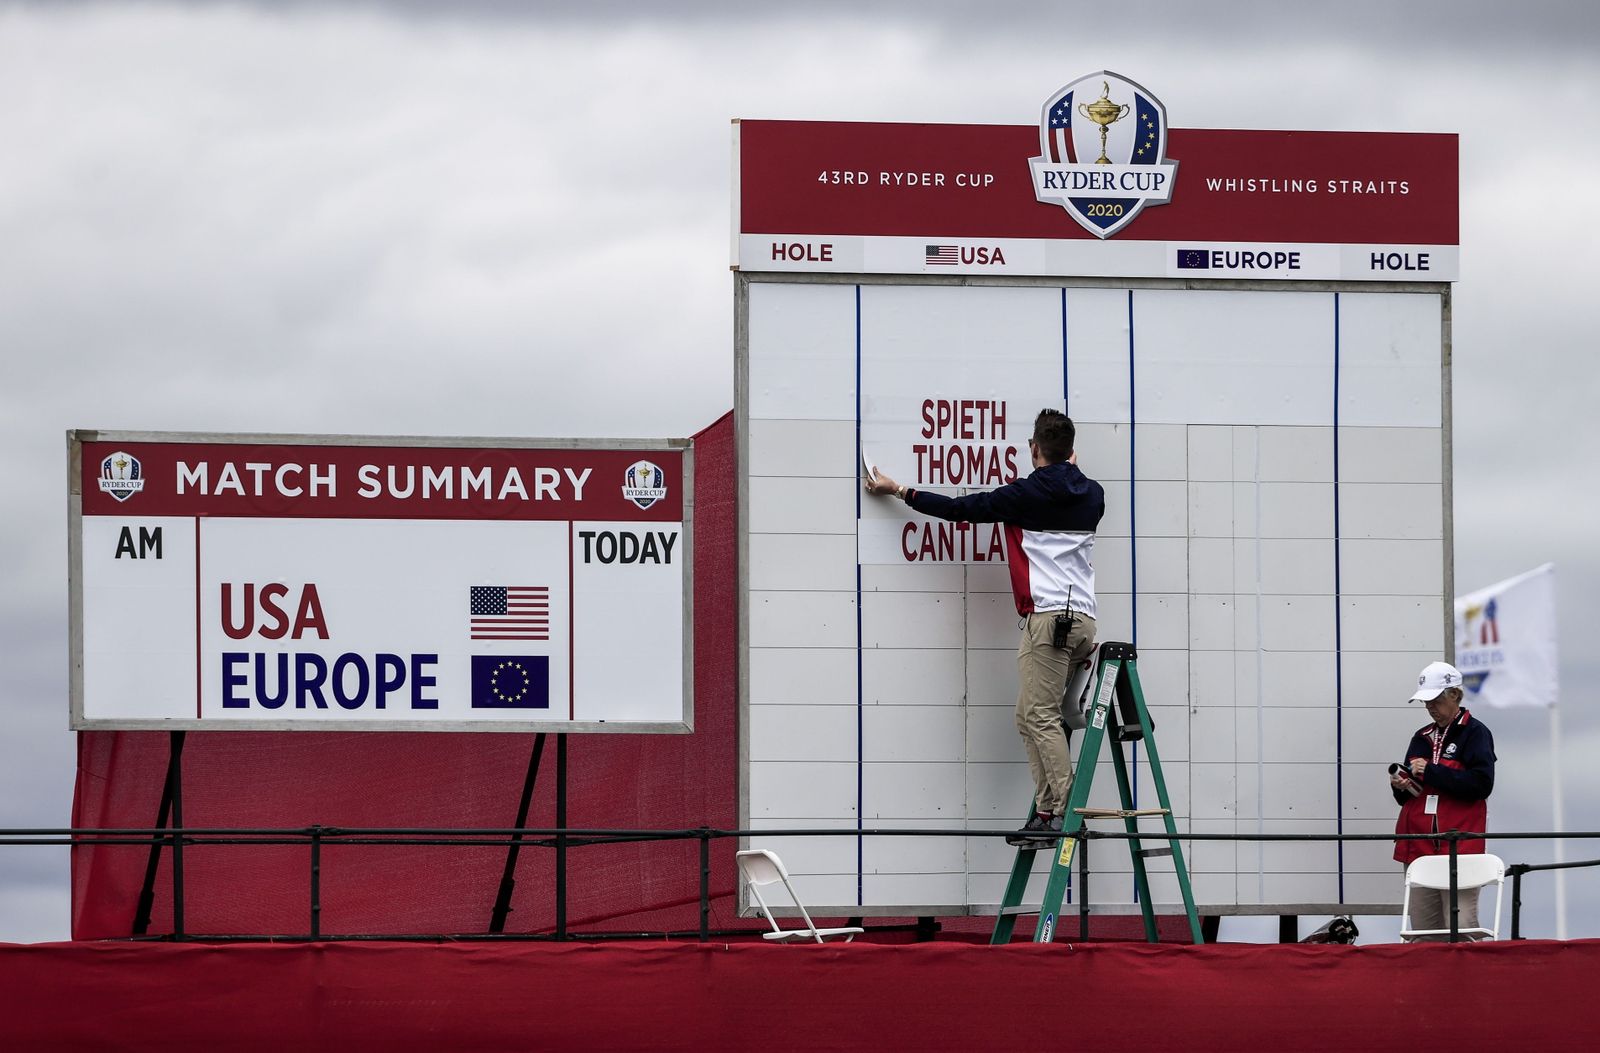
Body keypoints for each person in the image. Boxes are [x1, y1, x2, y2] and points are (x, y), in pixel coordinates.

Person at [866, 409, 1103, 848]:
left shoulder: (1023, 494)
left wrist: (899, 489)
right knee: (1028, 717)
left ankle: (1066, 815)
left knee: (1040, 716)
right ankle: (1047, 811)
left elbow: (959, 510)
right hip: (1082, 621)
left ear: (1034, 449)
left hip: (1049, 620)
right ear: (1072, 451)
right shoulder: (1094, 495)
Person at [1390, 660, 1496, 940]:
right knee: (1423, 930)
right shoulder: (1421, 736)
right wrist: (1401, 786)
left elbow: (1481, 784)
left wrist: (1433, 771)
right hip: (1418, 845)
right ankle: (1427, 984)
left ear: (1456, 696)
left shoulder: (1476, 733)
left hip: (1458, 846)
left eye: (1435, 700)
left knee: (1462, 928)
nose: (1430, 707)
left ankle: (1472, 982)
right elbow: (1408, 796)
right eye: (1426, 702)